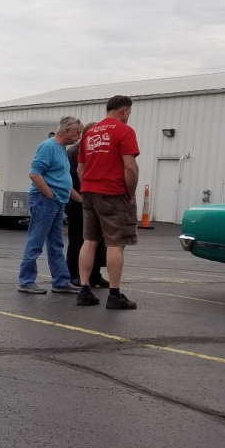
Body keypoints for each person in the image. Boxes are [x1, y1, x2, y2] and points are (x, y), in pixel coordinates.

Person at [76, 95, 140, 309]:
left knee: (89, 240)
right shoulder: (124, 131)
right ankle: (114, 294)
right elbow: (130, 167)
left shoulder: (90, 133)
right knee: (115, 243)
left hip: (89, 191)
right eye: (129, 112)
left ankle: (84, 290)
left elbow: (80, 169)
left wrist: (88, 187)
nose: (128, 116)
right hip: (113, 192)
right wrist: (130, 193)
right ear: (124, 110)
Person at [18, 116, 83, 295]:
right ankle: (26, 281)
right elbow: (34, 173)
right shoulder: (48, 147)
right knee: (36, 241)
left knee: (56, 243)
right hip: (45, 201)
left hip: (57, 202)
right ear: (67, 130)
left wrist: (79, 199)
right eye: (77, 133)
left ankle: (61, 281)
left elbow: (62, 180)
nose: (79, 137)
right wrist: (49, 194)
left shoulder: (61, 149)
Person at [65, 121, 107, 288]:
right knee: (78, 239)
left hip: (94, 201)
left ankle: (95, 274)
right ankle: (74, 274)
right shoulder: (74, 153)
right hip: (77, 203)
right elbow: (68, 179)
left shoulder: (94, 152)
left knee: (97, 240)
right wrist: (78, 197)